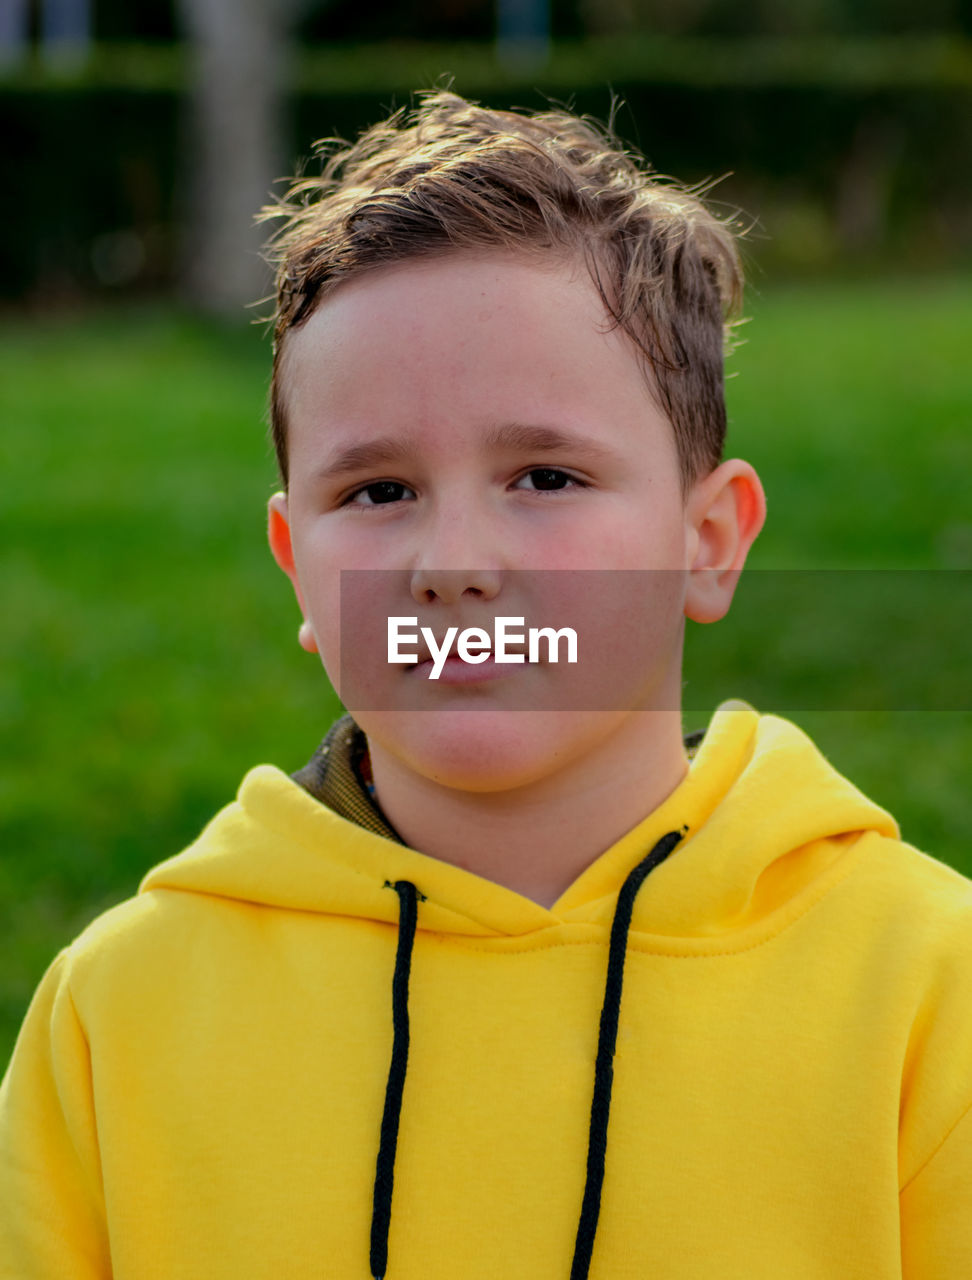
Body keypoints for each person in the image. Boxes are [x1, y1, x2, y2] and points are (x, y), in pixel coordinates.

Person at [1, 89, 970, 1280]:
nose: (454, 564)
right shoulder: (121, 1012)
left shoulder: (929, 990)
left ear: (709, 538)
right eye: (378, 491)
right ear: (298, 568)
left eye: (547, 476)